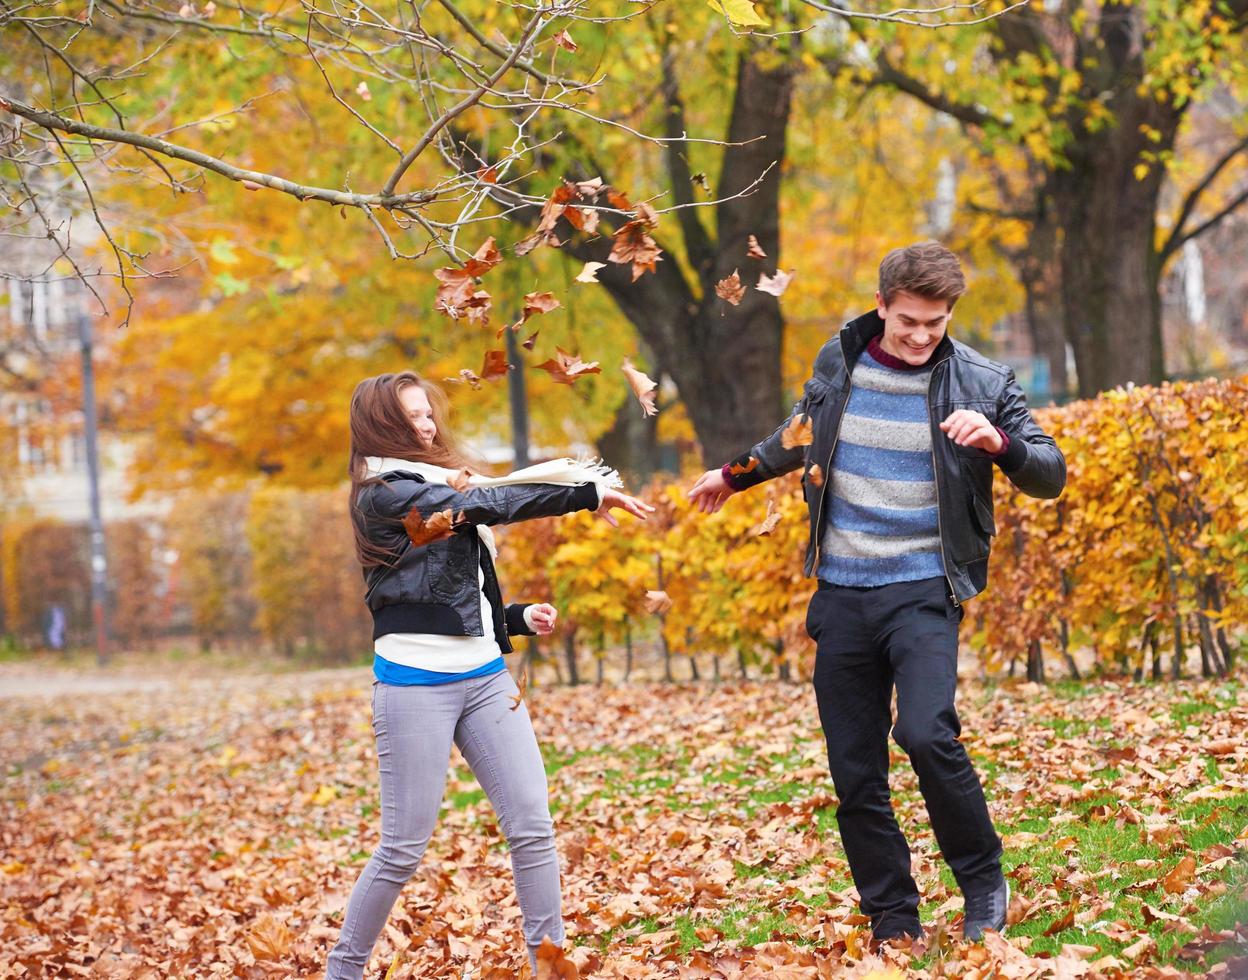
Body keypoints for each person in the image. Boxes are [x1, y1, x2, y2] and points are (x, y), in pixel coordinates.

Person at [687, 242, 1066, 944]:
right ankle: (894, 919)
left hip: (923, 588)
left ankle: (982, 879)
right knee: (855, 775)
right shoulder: (840, 361)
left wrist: (999, 445)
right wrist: (733, 474)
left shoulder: (982, 382)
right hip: (843, 592)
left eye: (937, 322)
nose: (923, 336)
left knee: (924, 732)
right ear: (883, 305)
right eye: (909, 321)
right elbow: (797, 436)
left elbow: (1050, 472)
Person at [326, 371, 653, 979]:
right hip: (414, 684)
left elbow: (450, 592)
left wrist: (515, 619)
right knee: (403, 848)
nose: (427, 425)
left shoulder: (434, 483)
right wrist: (584, 494)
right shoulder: (385, 495)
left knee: (532, 825)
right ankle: (342, 970)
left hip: (485, 679)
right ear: (382, 425)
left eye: (428, 414)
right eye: (413, 417)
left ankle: (548, 966)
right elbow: (483, 505)